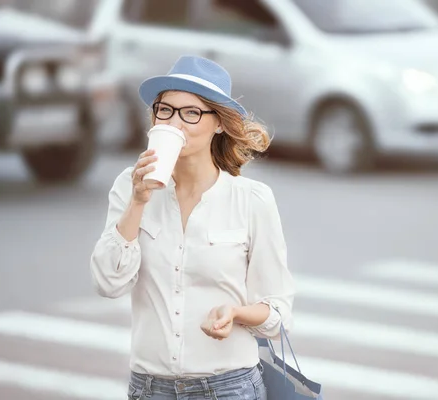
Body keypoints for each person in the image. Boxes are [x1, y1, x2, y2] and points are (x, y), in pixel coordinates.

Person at [89, 55, 295, 400]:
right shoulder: (129, 186)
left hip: (229, 388)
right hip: (149, 388)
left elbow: (278, 312)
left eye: (191, 112)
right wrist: (138, 201)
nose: (175, 122)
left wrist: (236, 312)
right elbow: (108, 282)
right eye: (165, 110)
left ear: (218, 123)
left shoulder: (252, 199)